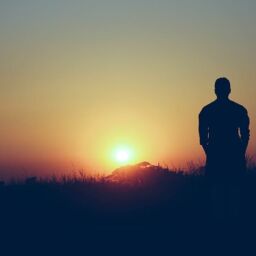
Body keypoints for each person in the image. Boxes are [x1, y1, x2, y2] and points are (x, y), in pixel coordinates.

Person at [199, 77, 250, 220]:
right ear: (229, 90)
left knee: (217, 193)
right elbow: (245, 136)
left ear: (215, 91)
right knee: (234, 193)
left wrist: (210, 154)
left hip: (217, 154)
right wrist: (241, 153)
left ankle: (220, 227)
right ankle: (232, 227)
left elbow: (203, 139)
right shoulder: (239, 110)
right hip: (233, 154)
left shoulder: (207, 111)